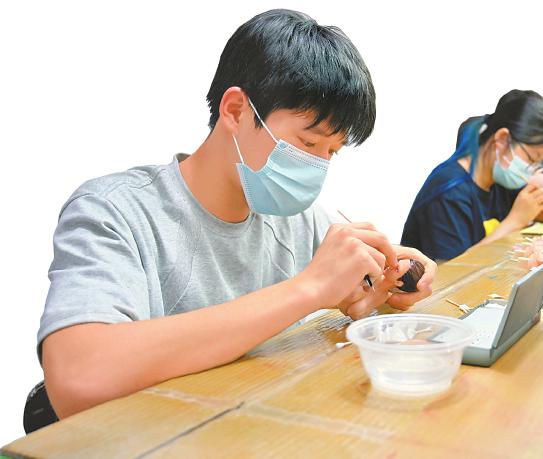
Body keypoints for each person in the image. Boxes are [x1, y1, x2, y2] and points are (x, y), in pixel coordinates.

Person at [38, 9, 436, 420]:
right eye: (308, 143)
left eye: (331, 152)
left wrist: (387, 279)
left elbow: (349, 291)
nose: (318, 165)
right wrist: (309, 290)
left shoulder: (299, 221)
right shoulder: (116, 211)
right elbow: (79, 376)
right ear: (235, 110)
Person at [401, 89, 543, 261]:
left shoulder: (500, 179)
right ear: (502, 139)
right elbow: (450, 272)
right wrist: (515, 221)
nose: (531, 169)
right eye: (531, 159)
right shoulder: (449, 192)